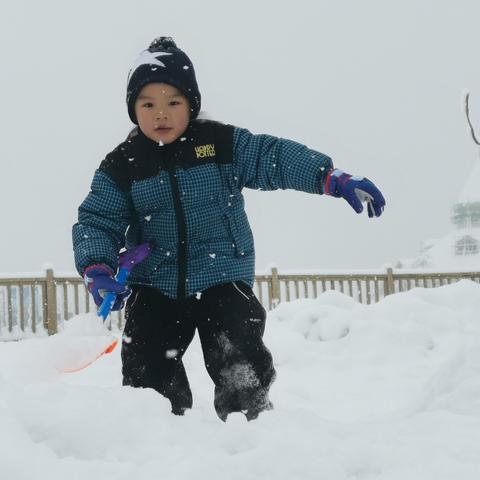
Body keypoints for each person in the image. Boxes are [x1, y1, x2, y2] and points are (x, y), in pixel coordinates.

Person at [72, 36, 385, 421]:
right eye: (148, 104)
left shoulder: (218, 144)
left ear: (191, 105)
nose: (161, 114)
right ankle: (157, 432)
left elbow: (273, 158)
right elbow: (97, 220)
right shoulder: (124, 164)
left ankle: (251, 425)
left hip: (223, 277)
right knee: (146, 368)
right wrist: (98, 269)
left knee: (238, 355)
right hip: (155, 283)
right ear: (133, 109)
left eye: (173, 102)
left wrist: (329, 177)